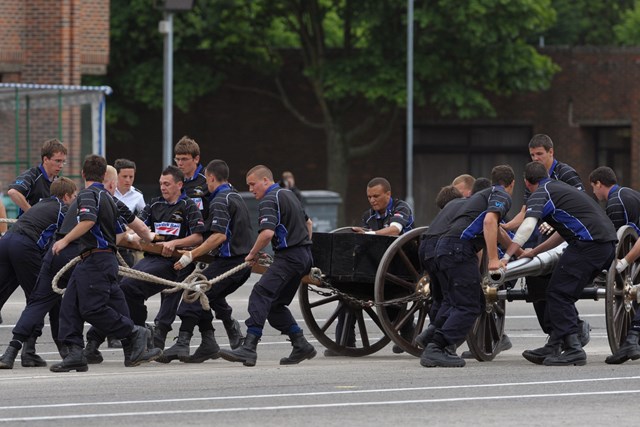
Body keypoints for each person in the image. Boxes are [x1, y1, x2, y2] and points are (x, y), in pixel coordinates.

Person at [0, 165, 157, 369]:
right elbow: (115, 230)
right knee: (100, 302)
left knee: (52, 303)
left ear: (83, 175)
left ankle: (17, 352)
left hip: (50, 254)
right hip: (84, 255)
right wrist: (150, 241)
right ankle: (132, 336)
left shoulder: (59, 202)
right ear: (110, 182)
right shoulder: (100, 199)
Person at [49, 155, 161, 372]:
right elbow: (130, 228)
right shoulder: (111, 198)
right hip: (101, 259)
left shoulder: (88, 195)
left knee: (92, 308)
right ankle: (78, 353)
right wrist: (149, 237)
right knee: (70, 304)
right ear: (105, 176)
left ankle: (134, 333)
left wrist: (65, 240)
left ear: (83, 174)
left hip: (96, 259)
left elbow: (88, 220)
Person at [501, 162, 616, 366]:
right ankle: (555, 343)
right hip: (605, 244)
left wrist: (506, 256)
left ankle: (573, 348)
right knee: (556, 285)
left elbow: (528, 225)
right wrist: (535, 251)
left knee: (558, 293)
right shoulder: (560, 188)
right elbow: (563, 233)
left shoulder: (541, 192)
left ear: (527, 182)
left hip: (589, 244)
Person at [219, 165, 315, 367]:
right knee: (275, 305)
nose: (251, 189)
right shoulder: (289, 194)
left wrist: (251, 255)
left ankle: (249, 347)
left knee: (260, 293)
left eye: (253, 184)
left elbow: (267, 234)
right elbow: (309, 224)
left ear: (265, 181)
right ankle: (301, 344)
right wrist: (303, 246)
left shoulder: (269, 200)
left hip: (289, 257)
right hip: (304, 257)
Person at [420, 165, 515, 368]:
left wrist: (519, 251)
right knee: (470, 304)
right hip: (458, 250)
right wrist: (493, 259)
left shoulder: (474, 200)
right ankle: (437, 347)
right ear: (512, 184)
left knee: (457, 300)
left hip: (442, 247)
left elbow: (496, 229)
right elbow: (490, 223)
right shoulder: (500, 194)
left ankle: (435, 336)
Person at [160, 159, 253, 363]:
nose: (206, 186)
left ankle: (182, 343)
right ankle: (208, 343)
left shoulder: (220, 200)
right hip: (240, 261)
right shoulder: (235, 196)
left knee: (193, 293)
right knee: (208, 298)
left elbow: (218, 236)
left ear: (211, 178)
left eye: (208, 182)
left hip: (232, 262)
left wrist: (191, 255)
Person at [502, 134, 590, 346]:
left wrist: (554, 222)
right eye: (532, 155)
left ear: (551, 152)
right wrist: (504, 227)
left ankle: (571, 327)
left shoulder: (566, 173)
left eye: (540, 154)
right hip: (538, 233)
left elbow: (581, 203)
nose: (535, 158)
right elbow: (525, 212)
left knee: (554, 281)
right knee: (533, 275)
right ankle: (553, 330)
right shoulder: (532, 176)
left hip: (565, 233)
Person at [115, 165, 205, 345]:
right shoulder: (154, 204)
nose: (163, 187)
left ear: (179, 185)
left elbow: (198, 236)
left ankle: (160, 335)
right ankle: (141, 328)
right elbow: (138, 224)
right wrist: (128, 235)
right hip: (152, 259)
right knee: (125, 286)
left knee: (171, 293)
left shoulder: (188, 206)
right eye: (161, 183)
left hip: (176, 262)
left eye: (167, 184)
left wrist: (174, 243)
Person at [325, 177, 414, 356]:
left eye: (376, 196)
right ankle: (345, 341)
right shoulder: (368, 215)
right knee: (348, 293)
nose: (372, 200)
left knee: (391, 301)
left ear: (388, 194)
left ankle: (407, 333)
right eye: (369, 197)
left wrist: (369, 233)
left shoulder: (401, 207)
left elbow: (395, 230)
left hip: (401, 267)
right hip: (375, 266)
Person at [0, 177, 77, 369]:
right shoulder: (63, 209)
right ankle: (30, 351)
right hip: (25, 246)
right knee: (43, 297)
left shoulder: (40, 205)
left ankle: (28, 351)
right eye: (74, 196)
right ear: (66, 196)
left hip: (7, 241)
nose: (75, 200)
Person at [150, 136, 210, 348]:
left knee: (185, 289)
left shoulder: (207, 181)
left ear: (196, 159)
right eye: (177, 159)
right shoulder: (175, 182)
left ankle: (165, 335)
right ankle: (208, 339)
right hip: (179, 244)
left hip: (201, 243)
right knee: (188, 290)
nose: (180, 163)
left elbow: (219, 211)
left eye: (184, 159)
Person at [0, 139, 68, 322]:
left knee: (9, 283)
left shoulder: (56, 185)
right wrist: (32, 212)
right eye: (57, 161)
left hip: (34, 244)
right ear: (45, 159)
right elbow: (13, 192)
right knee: (40, 293)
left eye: (63, 162)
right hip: (26, 240)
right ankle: (30, 342)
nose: (61, 165)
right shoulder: (33, 175)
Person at [589, 166, 640, 364]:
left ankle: (632, 339)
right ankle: (631, 341)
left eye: (593, 187)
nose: (593, 192)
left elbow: (617, 241)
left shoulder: (615, 201)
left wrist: (622, 263)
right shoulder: (628, 194)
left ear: (599, 184)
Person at [414, 185, 465, 350]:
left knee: (438, 298)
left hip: (426, 249)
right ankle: (435, 335)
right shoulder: (460, 211)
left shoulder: (439, 218)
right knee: (451, 298)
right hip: (443, 249)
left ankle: (432, 332)